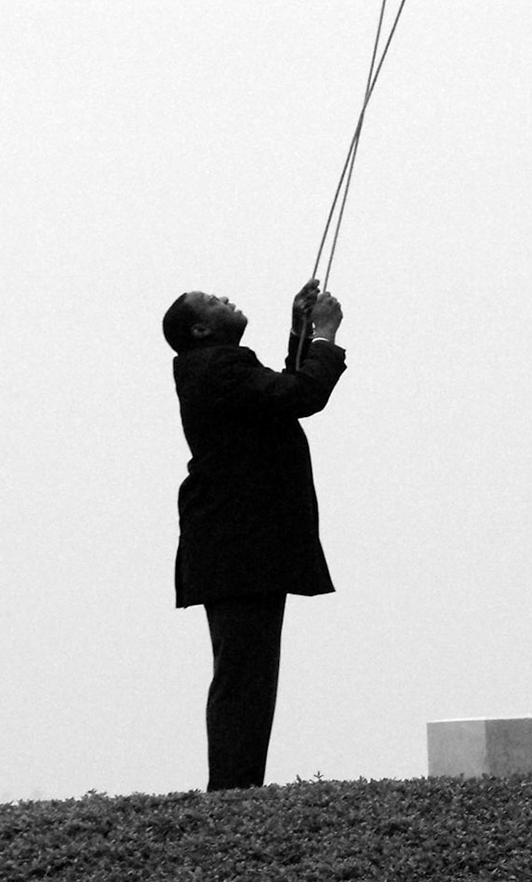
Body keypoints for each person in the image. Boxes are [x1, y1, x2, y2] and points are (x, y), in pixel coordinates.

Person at [161, 280, 346, 790]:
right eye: (213, 301)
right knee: (244, 678)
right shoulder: (218, 368)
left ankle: (237, 789)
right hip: (238, 549)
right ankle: (232, 792)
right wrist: (325, 337)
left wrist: (300, 332)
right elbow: (302, 395)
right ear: (201, 328)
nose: (225, 297)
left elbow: (279, 394)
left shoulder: (218, 369)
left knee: (246, 676)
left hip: (237, 549)